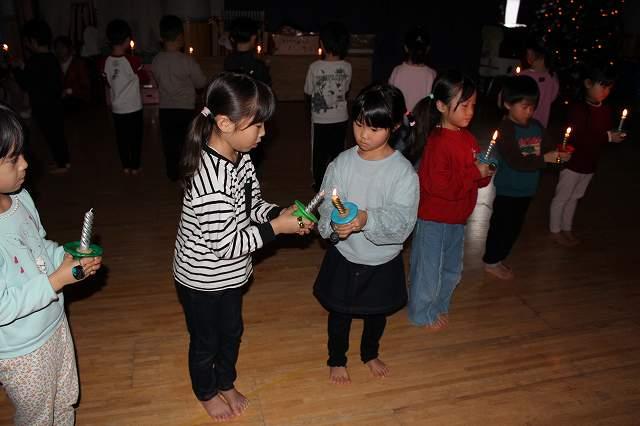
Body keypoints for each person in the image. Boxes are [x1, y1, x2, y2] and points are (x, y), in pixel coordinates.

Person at [173, 72, 314, 422]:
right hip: (201, 278)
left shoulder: (241, 156)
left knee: (232, 332)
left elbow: (251, 206)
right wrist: (278, 229)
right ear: (224, 123)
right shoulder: (209, 179)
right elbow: (226, 244)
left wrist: (278, 213)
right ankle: (206, 391)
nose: (263, 133)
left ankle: (225, 381)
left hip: (231, 274)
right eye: (258, 125)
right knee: (206, 342)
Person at [0, 104, 102, 425]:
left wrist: (66, 260)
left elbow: (39, 246)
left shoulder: (21, 199)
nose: (25, 163)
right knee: (38, 417)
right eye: (13, 159)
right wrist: (56, 281)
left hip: (55, 324)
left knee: (65, 398)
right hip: (22, 352)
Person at [314, 83, 419, 384]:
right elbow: (328, 200)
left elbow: (403, 220)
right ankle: (337, 358)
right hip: (345, 255)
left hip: (381, 259)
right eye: (359, 124)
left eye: (374, 128)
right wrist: (335, 223)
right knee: (339, 313)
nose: (363, 135)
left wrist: (366, 219)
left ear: (394, 126)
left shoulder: (403, 173)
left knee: (376, 314)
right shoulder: (342, 163)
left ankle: (370, 353)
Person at [407, 71, 493, 330]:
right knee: (428, 271)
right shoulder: (437, 143)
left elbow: (472, 181)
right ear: (441, 106)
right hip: (434, 219)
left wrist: (485, 173)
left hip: (457, 219)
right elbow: (440, 187)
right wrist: (474, 173)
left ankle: (438, 306)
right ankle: (421, 313)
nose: (470, 112)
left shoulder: (468, 139)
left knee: (452, 271)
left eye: (473, 105)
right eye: (463, 105)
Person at [482, 75, 570, 280]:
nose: (529, 111)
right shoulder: (506, 129)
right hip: (507, 190)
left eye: (533, 107)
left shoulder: (536, 126)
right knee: (501, 227)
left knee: (514, 228)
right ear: (507, 104)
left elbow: (549, 149)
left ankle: (499, 258)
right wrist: (545, 158)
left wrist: (560, 156)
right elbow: (516, 161)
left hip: (527, 190)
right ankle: (491, 261)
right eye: (524, 107)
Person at [549, 62, 625, 247]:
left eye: (609, 87)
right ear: (588, 83)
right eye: (602, 86)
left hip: (590, 163)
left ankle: (566, 228)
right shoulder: (578, 109)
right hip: (572, 162)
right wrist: (608, 136)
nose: (606, 91)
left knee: (575, 197)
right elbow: (581, 136)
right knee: (562, 197)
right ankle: (555, 230)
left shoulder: (605, 110)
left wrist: (614, 134)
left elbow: (601, 134)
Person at [152, 15, 207, 181]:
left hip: (166, 109)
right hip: (185, 109)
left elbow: (156, 80)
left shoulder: (156, 60)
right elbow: (200, 82)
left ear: (161, 38)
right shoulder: (187, 61)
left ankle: (172, 173)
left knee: (169, 143)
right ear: (181, 37)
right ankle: (188, 173)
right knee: (187, 144)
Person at [13, 19, 70, 173]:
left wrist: (17, 69)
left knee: (52, 135)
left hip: (43, 106)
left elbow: (25, 83)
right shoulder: (52, 58)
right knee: (58, 134)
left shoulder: (34, 61)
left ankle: (62, 164)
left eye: (27, 41)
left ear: (33, 41)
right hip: (55, 103)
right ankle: (63, 161)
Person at [304, 21, 352, 192]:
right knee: (338, 153)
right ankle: (337, 184)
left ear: (322, 45)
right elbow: (345, 90)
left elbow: (308, 91)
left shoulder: (314, 67)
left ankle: (319, 186)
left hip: (320, 119)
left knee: (319, 155)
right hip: (340, 118)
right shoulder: (347, 67)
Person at [224, 17, 272, 172]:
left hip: (234, 111)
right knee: (254, 149)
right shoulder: (258, 65)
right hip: (253, 113)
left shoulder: (228, 62)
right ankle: (251, 176)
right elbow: (266, 90)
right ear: (253, 38)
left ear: (232, 39)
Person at [100, 19, 147, 175]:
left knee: (121, 138)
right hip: (134, 107)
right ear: (127, 40)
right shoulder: (133, 60)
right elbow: (145, 78)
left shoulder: (105, 61)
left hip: (117, 108)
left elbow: (107, 82)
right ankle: (135, 166)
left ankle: (126, 166)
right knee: (135, 138)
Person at [388, 26, 437, 113]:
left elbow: (390, 98)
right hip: (423, 120)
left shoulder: (397, 71)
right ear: (427, 49)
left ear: (406, 48)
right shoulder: (432, 74)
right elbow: (433, 98)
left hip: (400, 120)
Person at [519, 42, 559, 128]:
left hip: (522, 124)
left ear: (530, 53)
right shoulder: (553, 77)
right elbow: (551, 99)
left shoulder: (524, 75)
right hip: (540, 127)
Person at [54, 36, 92, 109]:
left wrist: (68, 91)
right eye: (57, 47)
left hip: (78, 99)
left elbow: (85, 86)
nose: (59, 50)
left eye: (62, 47)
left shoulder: (79, 63)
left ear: (69, 48)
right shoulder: (55, 65)